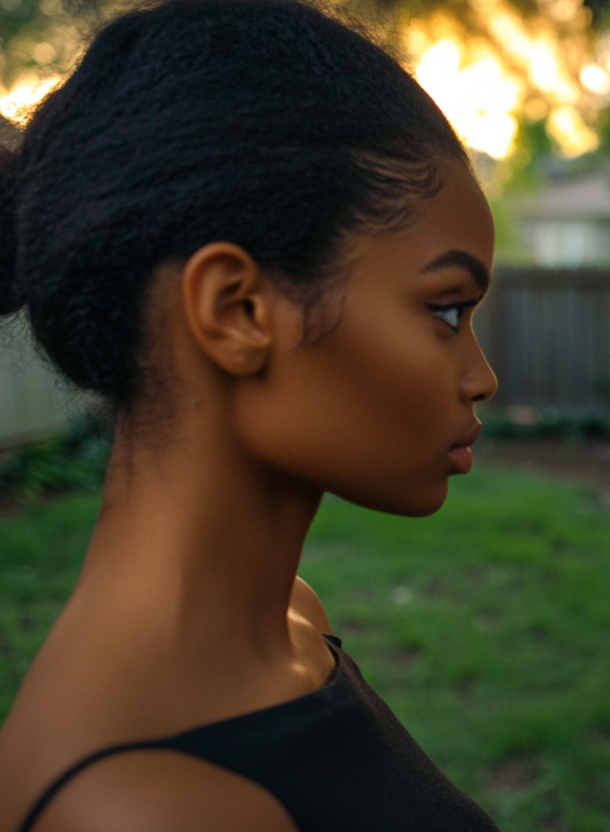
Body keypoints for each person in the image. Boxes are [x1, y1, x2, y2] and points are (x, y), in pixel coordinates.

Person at [0, 1, 502, 829]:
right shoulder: (138, 808)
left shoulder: (296, 626)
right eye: (446, 311)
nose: (481, 377)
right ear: (236, 311)